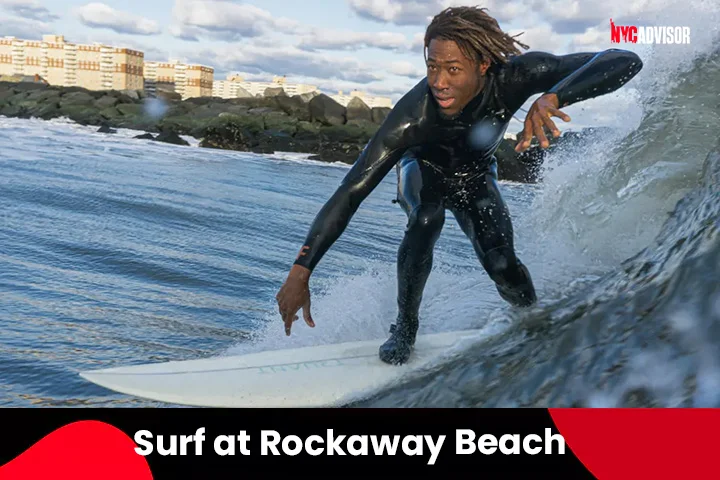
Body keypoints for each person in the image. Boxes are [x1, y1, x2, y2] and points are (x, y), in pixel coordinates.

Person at [275, 6, 643, 364]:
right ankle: (405, 326)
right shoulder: (411, 118)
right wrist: (300, 271)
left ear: (483, 65)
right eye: (432, 66)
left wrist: (555, 96)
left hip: (477, 175)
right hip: (423, 169)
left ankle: (534, 320)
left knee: (503, 266)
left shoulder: (518, 76)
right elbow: (352, 189)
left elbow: (623, 59)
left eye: (453, 69)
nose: (439, 82)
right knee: (425, 218)